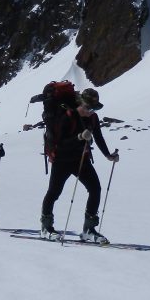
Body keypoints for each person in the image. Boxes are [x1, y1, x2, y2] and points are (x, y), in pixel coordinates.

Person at [40, 87, 119, 242]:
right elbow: (60, 144)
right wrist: (79, 137)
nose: (91, 111)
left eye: (94, 108)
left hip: (80, 159)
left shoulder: (93, 118)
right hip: (61, 160)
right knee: (54, 193)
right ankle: (46, 227)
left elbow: (98, 137)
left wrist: (108, 155)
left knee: (95, 189)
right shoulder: (67, 116)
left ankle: (89, 229)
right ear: (81, 103)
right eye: (88, 107)